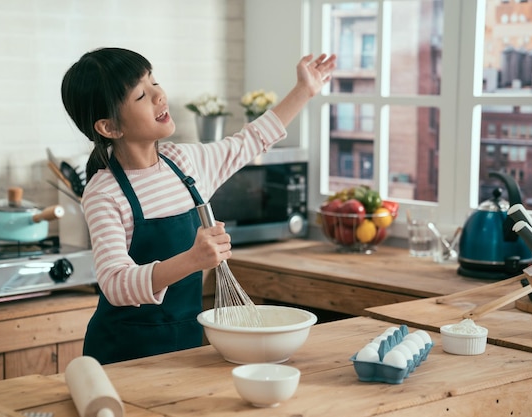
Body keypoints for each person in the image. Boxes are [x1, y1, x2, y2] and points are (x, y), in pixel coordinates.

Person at [60, 47, 336, 365]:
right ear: (110, 128)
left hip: (186, 344)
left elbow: (252, 140)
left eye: (154, 82)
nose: (159, 95)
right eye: (140, 96)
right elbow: (115, 284)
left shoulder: (185, 162)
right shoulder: (104, 193)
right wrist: (193, 259)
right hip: (124, 353)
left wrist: (304, 90)